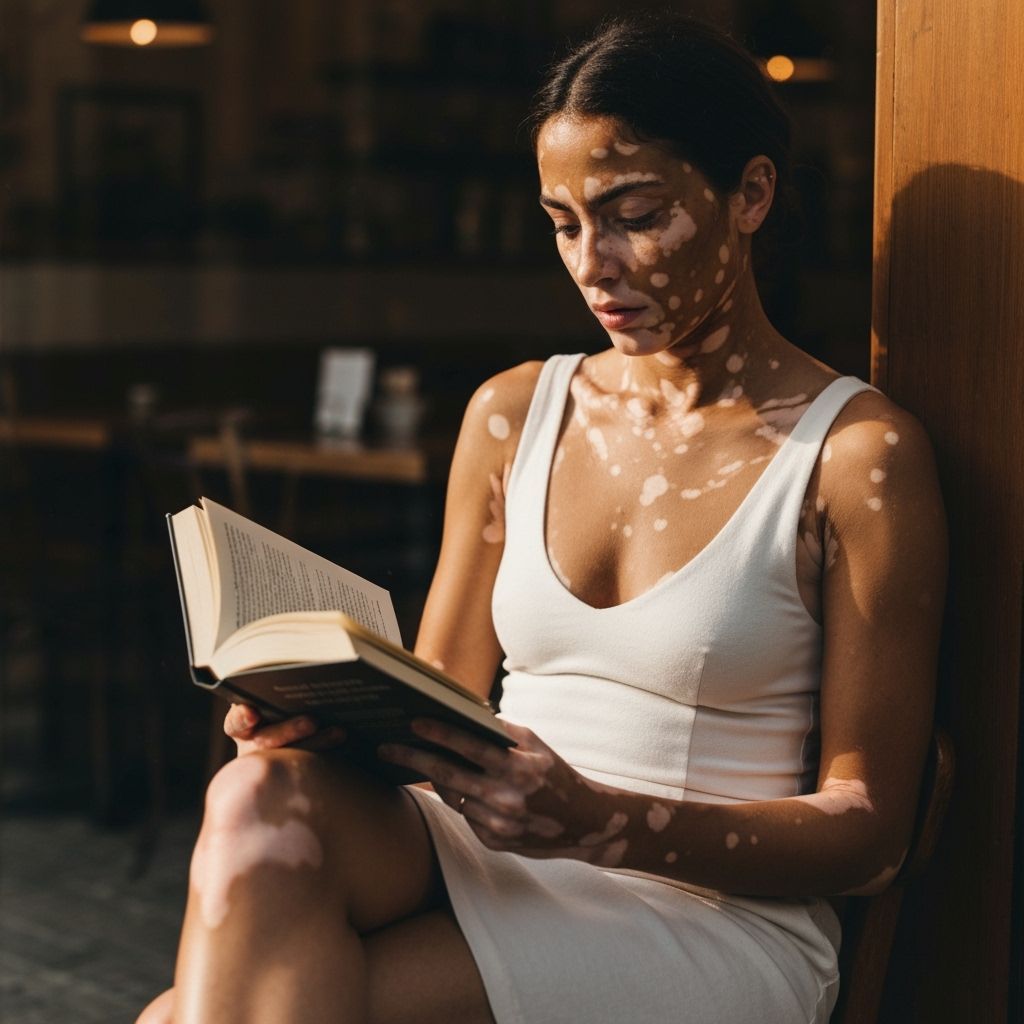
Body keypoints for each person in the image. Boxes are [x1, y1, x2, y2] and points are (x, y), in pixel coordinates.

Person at [139, 12, 946, 1024]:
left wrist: (600, 821)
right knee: (256, 797)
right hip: (491, 847)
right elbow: (435, 703)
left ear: (750, 194)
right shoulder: (515, 413)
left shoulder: (855, 457)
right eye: (563, 222)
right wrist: (324, 724)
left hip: (708, 910)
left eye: (633, 214)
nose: (592, 262)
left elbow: (869, 835)